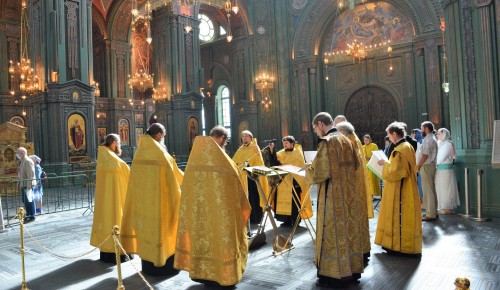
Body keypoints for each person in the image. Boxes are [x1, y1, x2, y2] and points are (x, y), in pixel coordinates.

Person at [175, 126, 251, 287]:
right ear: (222, 138)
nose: (225, 143)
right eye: (225, 139)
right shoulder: (223, 160)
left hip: (199, 214)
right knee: (221, 241)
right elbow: (237, 186)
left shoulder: (195, 157)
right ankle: (224, 275)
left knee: (203, 240)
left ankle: (203, 273)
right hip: (221, 215)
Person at [306, 112, 364, 288]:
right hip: (348, 194)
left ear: (321, 124)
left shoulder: (327, 142)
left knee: (332, 232)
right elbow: (356, 163)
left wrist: (308, 169)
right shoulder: (347, 139)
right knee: (348, 231)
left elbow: (321, 173)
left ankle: (332, 275)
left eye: (315, 128)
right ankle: (352, 271)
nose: (316, 132)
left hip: (332, 196)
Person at [120, 123, 184, 276]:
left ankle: (149, 265)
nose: (163, 138)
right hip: (161, 204)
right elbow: (174, 175)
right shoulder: (160, 152)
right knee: (163, 232)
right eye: (163, 135)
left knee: (147, 232)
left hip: (143, 204)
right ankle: (164, 265)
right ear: (158, 135)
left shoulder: (140, 152)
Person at [375, 122, 422, 257]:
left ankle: (399, 246)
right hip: (404, 187)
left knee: (400, 215)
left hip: (402, 189)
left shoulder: (401, 148)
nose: (389, 138)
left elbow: (398, 171)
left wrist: (385, 164)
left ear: (395, 134)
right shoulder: (405, 146)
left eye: (389, 135)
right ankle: (394, 245)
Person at [90, 134, 131, 263]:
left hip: (105, 199)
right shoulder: (113, 158)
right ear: (113, 142)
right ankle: (117, 250)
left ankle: (106, 249)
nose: (119, 145)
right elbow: (127, 174)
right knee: (115, 218)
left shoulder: (103, 155)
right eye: (118, 142)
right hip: (116, 197)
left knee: (107, 219)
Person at [335, 121, 371, 264]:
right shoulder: (355, 139)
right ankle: (363, 249)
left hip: (353, 187)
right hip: (358, 186)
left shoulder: (348, 143)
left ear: (343, 132)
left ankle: (356, 252)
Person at [275, 136, 313, 227]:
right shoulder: (280, 153)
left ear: (292, 143)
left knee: (294, 201)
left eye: (286, 143)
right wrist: (271, 152)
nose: (285, 145)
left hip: (295, 180)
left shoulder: (297, 153)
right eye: (283, 143)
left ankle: (295, 220)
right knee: (282, 201)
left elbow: (299, 166)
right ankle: (286, 220)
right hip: (283, 181)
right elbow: (276, 163)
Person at [232, 130, 269, 224]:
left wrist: (249, 166)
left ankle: (256, 218)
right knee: (246, 198)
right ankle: (247, 217)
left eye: (246, 136)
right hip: (243, 177)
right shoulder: (240, 149)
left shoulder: (255, 148)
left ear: (250, 138)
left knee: (254, 197)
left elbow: (259, 162)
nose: (244, 138)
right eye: (243, 136)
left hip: (253, 177)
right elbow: (234, 162)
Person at [435, 128, 460, 215]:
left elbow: (440, 158)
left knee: (446, 189)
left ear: (444, 134)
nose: (437, 136)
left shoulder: (447, 144)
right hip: (440, 170)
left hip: (445, 170)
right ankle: (442, 207)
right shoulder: (441, 143)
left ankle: (447, 208)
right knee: (441, 188)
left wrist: (434, 162)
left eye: (439, 134)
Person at [419, 121, 438, 221]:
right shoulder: (433, 138)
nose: (421, 130)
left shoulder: (427, 139)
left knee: (428, 190)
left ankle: (430, 214)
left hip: (427, 166)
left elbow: (425, 155)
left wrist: (418, 166)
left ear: (426, 129)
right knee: (431, 189)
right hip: (432, 165)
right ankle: (433, 211)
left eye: (421, 128)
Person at [17, 147, 36, 222]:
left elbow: (30, 175)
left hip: (27, 185)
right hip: (24, 184)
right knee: (25, 200)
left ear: (22, 153)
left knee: (29, 200)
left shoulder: (27, 161)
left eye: (18, 153)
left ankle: (32, 215)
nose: (17, 154)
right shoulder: (22, 161)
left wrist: (29, 187)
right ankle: (28, 213)